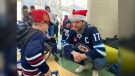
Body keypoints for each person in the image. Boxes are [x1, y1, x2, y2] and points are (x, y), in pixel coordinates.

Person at [62, 10, 106, 76]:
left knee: (99, 63)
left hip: (93, 52)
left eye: (77, 22)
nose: (74, 25)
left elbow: (101, 51)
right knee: (64, 53)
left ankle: (95, 69)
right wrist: (74, 53)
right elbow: (65, 45)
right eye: (73, 22)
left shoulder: (92, 30)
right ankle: (84, 65)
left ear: (84, 22)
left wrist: (82, 56)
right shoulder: (72, 31)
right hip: (81, 51)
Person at [17, 9, 51, 76]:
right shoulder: (38, 35)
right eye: (48, 24)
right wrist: (46, 70)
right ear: (42, 24)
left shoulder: (28, 32)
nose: (48, 27)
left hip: (25, 71)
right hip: (33, 73)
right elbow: (31, 55)